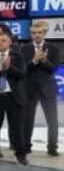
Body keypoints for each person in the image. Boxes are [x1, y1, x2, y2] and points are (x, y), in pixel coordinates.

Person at [0, 30, 29, 165]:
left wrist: (9, 68)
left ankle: (21, 154)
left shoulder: (18, 56)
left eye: (3, 40)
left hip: (13, 97)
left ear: (9, 42)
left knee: (17, 128)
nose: (0, 43)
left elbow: (22, 74)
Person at [21, 20, 59, 157]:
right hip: (29, 89)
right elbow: (23, 69)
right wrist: (35, 61)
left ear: (44, 33)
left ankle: (52, 148)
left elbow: (54, 68)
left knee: (52, 120)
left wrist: (44, 60)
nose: (36, 35)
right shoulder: (24, 49)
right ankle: (26, 147)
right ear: (31, 35)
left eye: (39, 33)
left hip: (48, 89)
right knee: (27, 119)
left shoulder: (53, 48)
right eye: (33, 33)